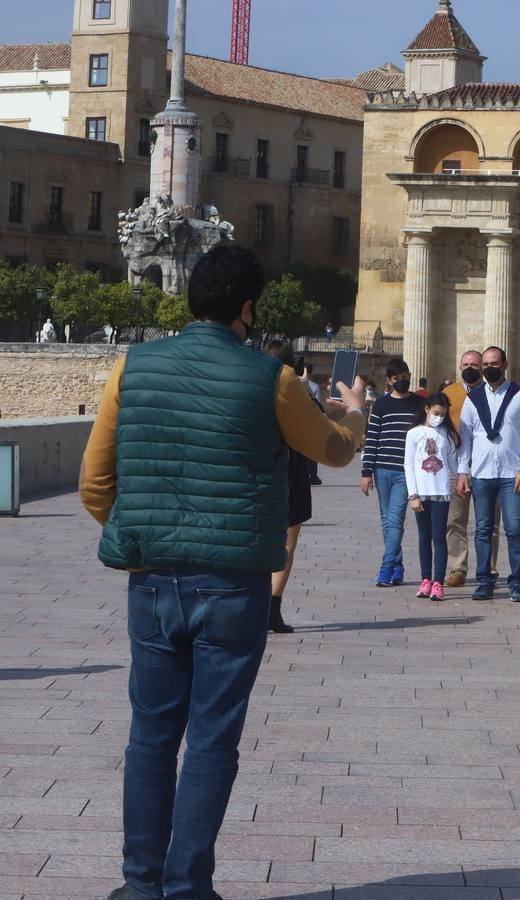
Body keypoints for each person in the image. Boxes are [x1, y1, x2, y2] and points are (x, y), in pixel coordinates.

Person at [79, 244, 367, 900]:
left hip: (152, 580)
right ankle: (188, 888)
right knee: (211, 739)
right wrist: (354, 411)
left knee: (150, 736)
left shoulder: (133, 366)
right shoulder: (271, 378)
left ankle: (139, 886)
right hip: (234, 583)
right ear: (246, 308)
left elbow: (96, 482)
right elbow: (334, 450)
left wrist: (137, 534)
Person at [456, 346, 520, 603]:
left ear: (505, 365)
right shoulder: (473, 399)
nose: (489, 368)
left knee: (513, 528)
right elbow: (466, 438)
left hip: (510, 473)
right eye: (486, 364)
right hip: (481, 473)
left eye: (494, 363)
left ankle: (516, 582)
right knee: (482, 529)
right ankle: (485, 581)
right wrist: (462, 471)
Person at [262, 341, 319, 634]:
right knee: (287, 544)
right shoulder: (298, 390)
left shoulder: (252, 386)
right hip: (291, 471)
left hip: (258, 472)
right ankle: (272, 608)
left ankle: (255, 607)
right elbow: (318, 430)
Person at [361, 359, 422, 587]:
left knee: (395, 520)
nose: (402, 381)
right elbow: (372, 439)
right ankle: (398, 566)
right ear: (389, 381)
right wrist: (366, 472)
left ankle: (386, 568)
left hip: (406, 471)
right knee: (387, 521)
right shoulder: (381, 405)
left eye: (404, 376)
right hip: (382, 469)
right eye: (396, 378)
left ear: (409, 374)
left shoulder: (420, 404)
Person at [443, 349, 500, 588]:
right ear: (459, 366)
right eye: (466, 364)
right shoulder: (448, 394)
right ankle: (457, 568)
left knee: (489, 522)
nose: (470, 368)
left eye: (476, 365)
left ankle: (489, 567)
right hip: (457, 466)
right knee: (455, 520)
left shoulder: (493, 393)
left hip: (489, 466)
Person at [405, 392, 460, 602]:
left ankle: (438, 581)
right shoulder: (414, 433)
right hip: (421, 491)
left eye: (443, 415)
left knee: (439, 537)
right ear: (427, 409)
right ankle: (425, 579)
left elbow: (453, 464)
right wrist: (413, 494)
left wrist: (461, 481)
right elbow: (408, 465)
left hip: (441, 493)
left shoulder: (447, 435)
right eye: (436, 413)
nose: (439, 417)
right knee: (423, 537)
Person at [298, 363, 323, 485]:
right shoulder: (315, 386)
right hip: (312, 421)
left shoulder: (295, 383)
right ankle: (313, 475)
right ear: (311, 373)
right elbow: (317, 403)